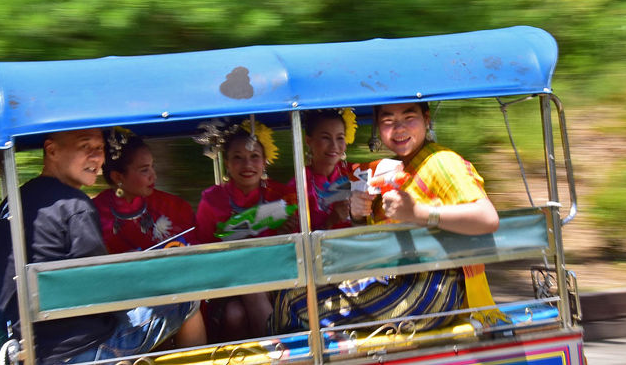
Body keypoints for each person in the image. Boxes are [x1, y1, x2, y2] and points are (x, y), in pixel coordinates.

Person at [272, 102, 501, 334]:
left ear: (426, 118)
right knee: (294, 294)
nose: (399, 129)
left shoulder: (441, 161)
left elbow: (487, 217)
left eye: (408, 117)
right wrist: (359, 215)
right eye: (388, 121)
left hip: (432, 289)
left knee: (293, 302)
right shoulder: (395, 169)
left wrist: (419, 213)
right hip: (401, 278)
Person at [0, 128, 206, 364]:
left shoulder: (10, 204)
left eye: (100, 148)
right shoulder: (74, 205)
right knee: (187, 297)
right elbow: (102, 292)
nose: (97, 157)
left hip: (29, 349)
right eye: (85, 147)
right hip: (85, 349)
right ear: (52, 150)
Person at [195, 119, 293, 342]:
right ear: (227, 164)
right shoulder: (212, 200)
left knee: (236, 314)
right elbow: (202, 254)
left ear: (265, 162)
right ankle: (279, 351)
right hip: (228, 284)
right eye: (238, 158)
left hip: (280, 279)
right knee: (239, 303)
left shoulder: (282, 196)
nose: (247, 164)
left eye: (254, 157)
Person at [93, 128, 198, 253]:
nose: (154, 176)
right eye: (144, 170)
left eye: (152, 166)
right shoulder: (93, 214)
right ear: (117, 177)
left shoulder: (175, 207)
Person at [288, 108, 357, 231]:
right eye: (326, 138)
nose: (334, 146)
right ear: (309, 141)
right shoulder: (298, 186)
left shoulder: (355, 173)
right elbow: (296, 239)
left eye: (340, 138)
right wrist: (330, 221)